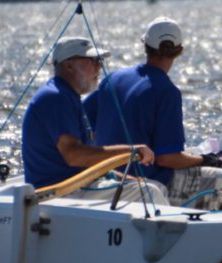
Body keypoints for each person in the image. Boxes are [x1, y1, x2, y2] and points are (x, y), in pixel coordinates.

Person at [84, 17, 222, 210]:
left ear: (145, 45)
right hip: (151, 180)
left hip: (110, 176)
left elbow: (84, 121)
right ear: (180, 50)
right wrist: (207, 159)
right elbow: (167, 158)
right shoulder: (167, 91)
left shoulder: (113, 78)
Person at [21, 36, 156, 190]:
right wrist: (132, 150)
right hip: (58, 193)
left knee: (149, 186)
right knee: (151, 191)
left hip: (75, 186)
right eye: (93, 60)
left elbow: (86, 164)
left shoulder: (68, 96)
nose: (99, 66)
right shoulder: (56, 97)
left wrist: (130, 179)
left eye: (100, 60)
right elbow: (74, 156)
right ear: (69, 65)